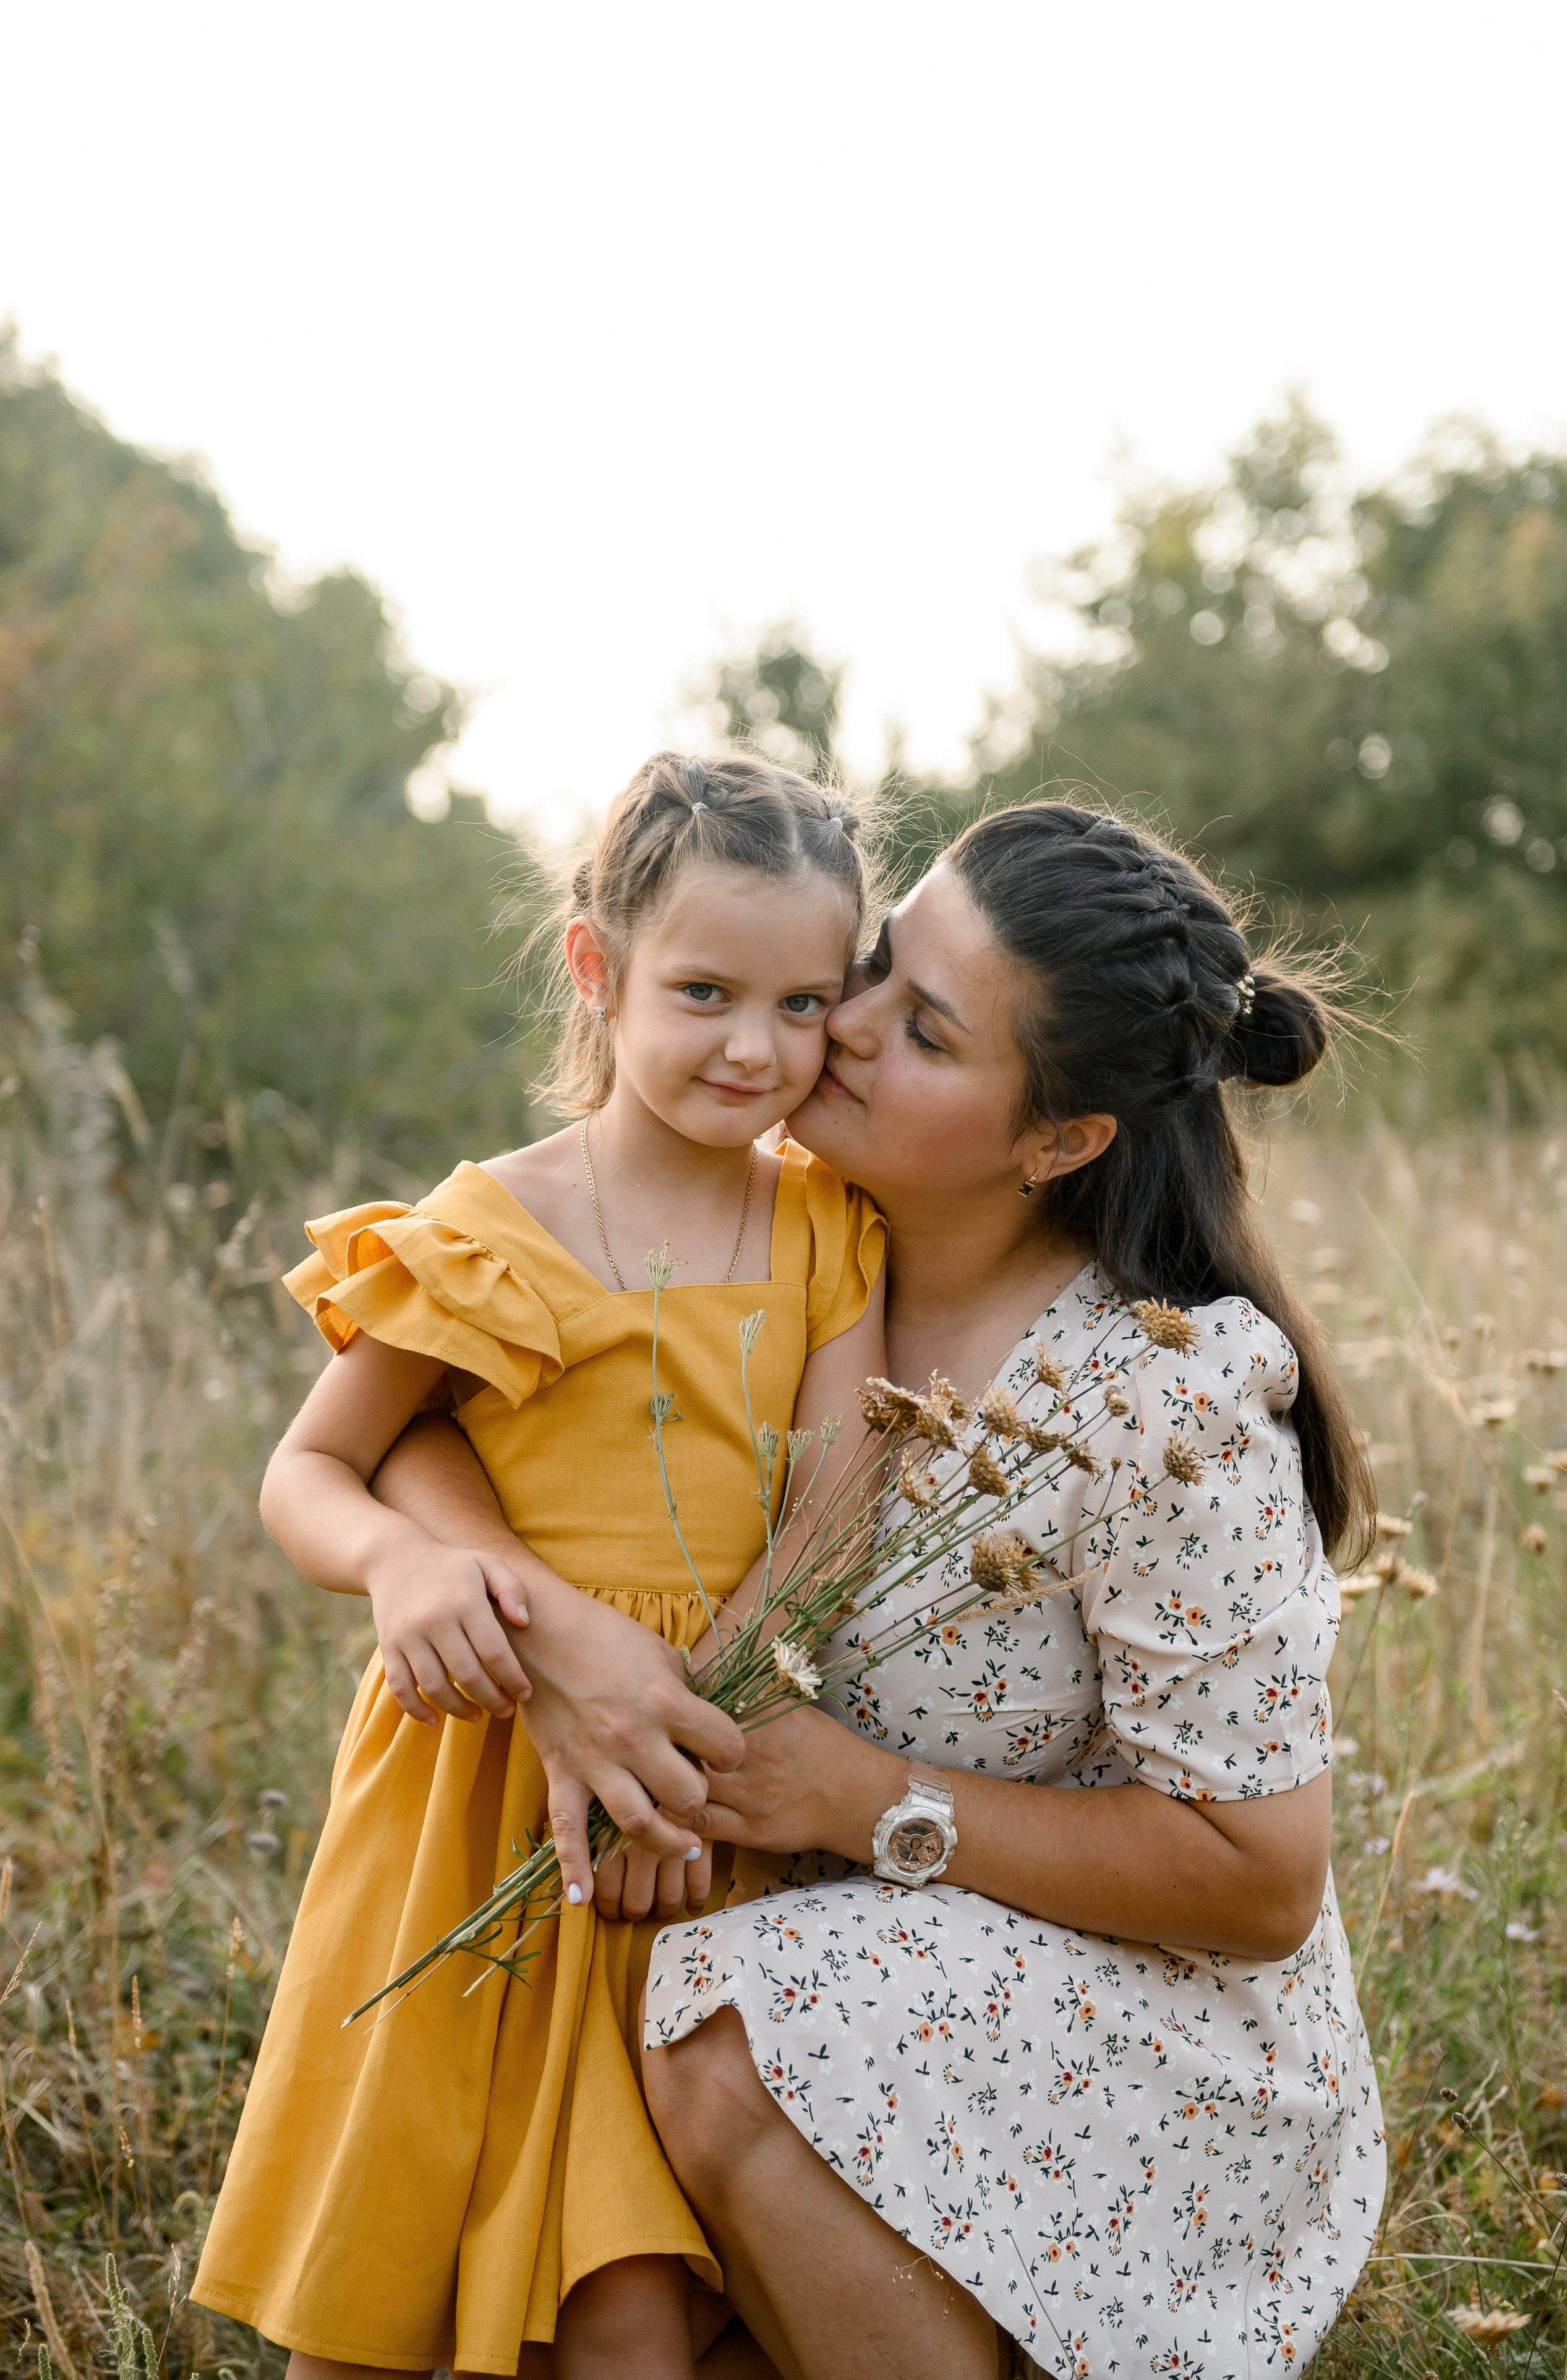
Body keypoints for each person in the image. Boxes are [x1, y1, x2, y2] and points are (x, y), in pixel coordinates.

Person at [382, 799, 1387, 2380]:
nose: (830, 1028)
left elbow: (1259, 1883)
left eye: (917, 1029)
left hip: (1132, 2045)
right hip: (817, 1962)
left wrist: (863, 1799)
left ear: (1057, 1141)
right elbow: (430, 1418)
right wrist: (542, 1629)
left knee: (726, 2018)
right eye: (871, 968)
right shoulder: (758, 1224)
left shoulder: (1158, 1409)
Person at [190, 750, 887, 2380]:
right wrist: (397, 1574)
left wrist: (681, 1769)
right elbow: (312, 1470)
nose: (754, 1047)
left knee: (627, 2303)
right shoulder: (492, 1228)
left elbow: (835, 1518)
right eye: (704, 991)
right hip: (472, 1795)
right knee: (394, 2259)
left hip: (687, 1804)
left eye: (803, 1006)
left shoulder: (825, 1228)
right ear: (598, 966)